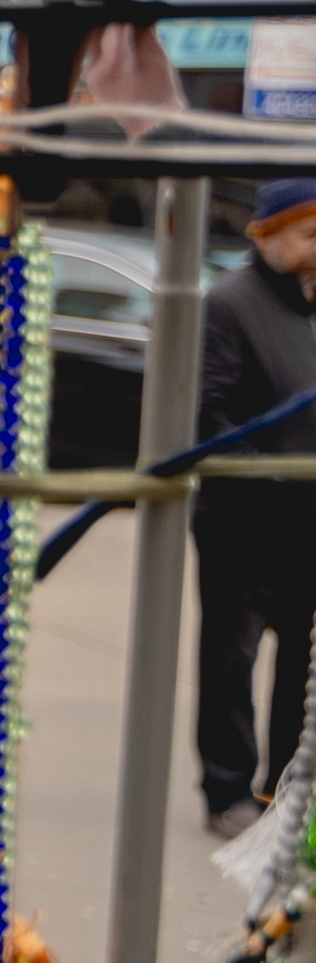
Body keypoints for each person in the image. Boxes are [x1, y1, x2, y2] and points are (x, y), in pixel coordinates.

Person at [198, 174, 316, 838]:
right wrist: (265, 478)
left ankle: (284, 786)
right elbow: (207, 413)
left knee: (301, 664)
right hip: (244, 525)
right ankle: (226, 790)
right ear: (266, 235)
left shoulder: (308, 305)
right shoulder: (230, 303)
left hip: (305, 524)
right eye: (308, 236)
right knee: (232, 661)